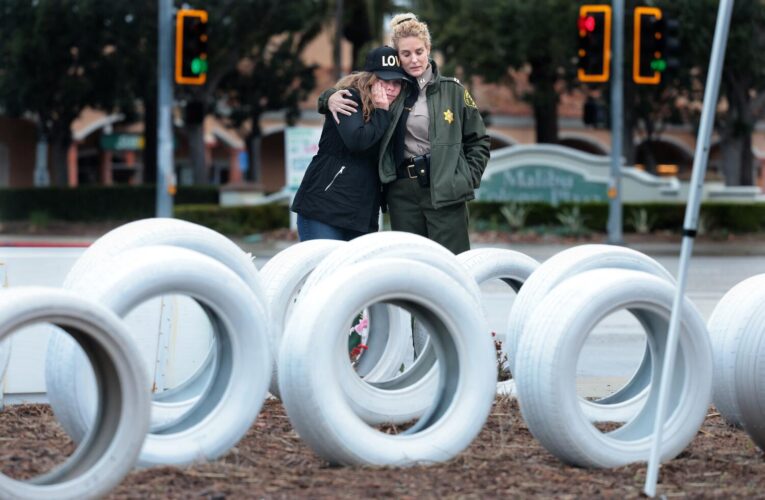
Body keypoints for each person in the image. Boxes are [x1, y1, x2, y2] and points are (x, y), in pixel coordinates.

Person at [321, 13, 490, 254]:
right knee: (411, 264)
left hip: (444, 190)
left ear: (428, 49)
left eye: (419, 52)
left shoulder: (453, 91)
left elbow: (479, 140)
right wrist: (327, 99)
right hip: (401, 192)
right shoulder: (391, 88)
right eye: (406, 54)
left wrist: (465, 178)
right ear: (397, 56)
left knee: (453, 263)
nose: (414, 60)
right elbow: (353, 86)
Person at [291, 46, 411, 241]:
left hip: (362, 216)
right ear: (369, 78)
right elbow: (357, 140)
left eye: (396, 82)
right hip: (323, 210)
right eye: (384, 80)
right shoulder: (348, 98)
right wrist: (381, 112)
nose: (390, 87)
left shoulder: (394, 111)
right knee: (325, 271)